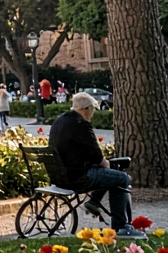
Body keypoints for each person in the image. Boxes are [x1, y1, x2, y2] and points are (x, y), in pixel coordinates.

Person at [50, 92, 143, 239]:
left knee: (109, 175)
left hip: (61, 176)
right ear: (86, 109)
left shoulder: (60, 121)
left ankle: (94, 201)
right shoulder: (81, 125)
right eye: (92, 109)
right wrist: (108, 166)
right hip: (79, 177)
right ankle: (121, 226)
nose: (92, 113)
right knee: (121, 178)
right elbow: (96, 155)